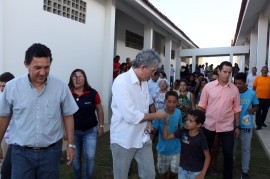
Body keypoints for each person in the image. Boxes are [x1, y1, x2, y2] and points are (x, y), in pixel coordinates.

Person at [0, 43, 78, 179]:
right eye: (37, 68)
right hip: (21, 153)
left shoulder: (60, 86)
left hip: (51, 153)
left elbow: (68, 115)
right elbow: (3, 117)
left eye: (46, 67)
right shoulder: (12, 87)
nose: (43, 72)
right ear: (26, 64)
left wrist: (71, 144)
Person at [110, 49, 166, 179]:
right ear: (143, 67)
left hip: (142, 137)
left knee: (149, 174)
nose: (153, 74)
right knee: (121, 176)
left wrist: (148, 121)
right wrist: (154, 116)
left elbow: (144, 106)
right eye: (152, 71)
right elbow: (130, 115)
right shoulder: (121, 82)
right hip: (124, 140)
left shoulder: (144, 81)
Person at [198, 61, 241, 179]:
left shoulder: (234, 90)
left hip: (227, 126)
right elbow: (202, 106)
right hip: (208, 124)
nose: (227, 75)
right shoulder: (208, 87)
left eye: (229, 72)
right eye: (224, 72)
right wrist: (198, 123)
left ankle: (227, 176)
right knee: (204, 150)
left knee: (228, 153)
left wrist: (237, 126)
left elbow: (237, 109)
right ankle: (201, 171)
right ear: (218, 71)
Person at [68, 69, 105, 179]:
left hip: (90, 131)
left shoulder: (93, 93)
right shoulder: (67, 93)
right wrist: (65, 131)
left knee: (90, 157)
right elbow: (63, 113)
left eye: (80, 76)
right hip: (74, 133)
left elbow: (99, 110)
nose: (78, 79)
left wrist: (101, 126)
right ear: (71, 80)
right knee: (75, 159)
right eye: (74, 77)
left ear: (85, 78)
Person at [163, 109, 210, 179]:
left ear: (199, 124)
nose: (187, 122)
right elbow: (166, 137)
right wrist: (166, 124)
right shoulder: (182, 132)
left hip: (196, 172)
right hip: (182, 169)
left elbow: (207, 157)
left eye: (190, 121)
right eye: (187, 119)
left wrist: (202, 173)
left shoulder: (201, 139)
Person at [233, 72, 259, 179]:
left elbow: (257, 105)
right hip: (233, 125)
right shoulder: (233, 92)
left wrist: (253, 109)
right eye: (236, 83)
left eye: (240, 84)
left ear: (245, 83)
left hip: (246, 126)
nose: (237, 86)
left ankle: (245, 171)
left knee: (246, 149)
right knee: (232, 148)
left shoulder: (252, 93)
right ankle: (231, 165)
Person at [152, 91, 182, 179]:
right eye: (169, 101)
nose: (172, 104)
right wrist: (150, 130)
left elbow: (179, 125)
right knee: (163, 172)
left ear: (177, 102)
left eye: (174, 102)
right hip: (163, 149)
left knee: (175, 171)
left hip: (176, 148)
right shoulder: (159, 114)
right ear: (165, 101)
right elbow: (154, 130)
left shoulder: (178, 112)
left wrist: (181, 131)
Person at [0, 72, 15, 179]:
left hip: (17, 142)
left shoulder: (19, 99)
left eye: (4, 86)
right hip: (5, 139)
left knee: (6, 172)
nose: (1, 89)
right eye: (0, 86)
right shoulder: (2, 99)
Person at [253, 66, 270, 130]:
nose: (264, 71)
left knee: (265, 112)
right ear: (261, 71)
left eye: (266, 70)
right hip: (258, 98)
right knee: (258, 112)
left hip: (268, 99)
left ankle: (262, 122)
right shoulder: (258, 78)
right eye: (263, 70)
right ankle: (258, 125)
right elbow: (254, 88)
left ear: (268, 71)